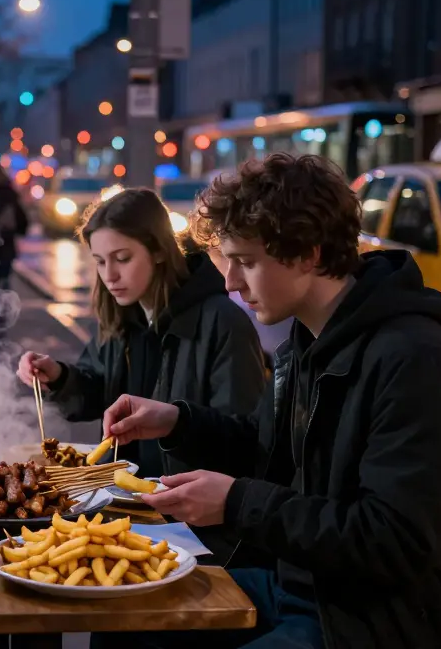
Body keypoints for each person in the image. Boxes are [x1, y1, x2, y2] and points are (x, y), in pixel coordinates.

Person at [93, 154, 441, 648]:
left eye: (246, 262)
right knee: (122, 610)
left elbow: (392, 542)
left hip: (384, 620)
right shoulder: (311, 340)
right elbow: (266, 449)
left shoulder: (414, 360)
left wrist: (237, 502)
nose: (231, 284)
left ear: (306, 253)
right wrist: (178, 422)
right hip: (304, 584)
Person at [15, 188, 265, 555]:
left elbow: (244, 437)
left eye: (123, 258)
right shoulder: (122, 316)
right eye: (100, 261)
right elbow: (99, 388)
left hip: (193, 524)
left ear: (160, 251)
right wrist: (60, 376)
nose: (110, 274)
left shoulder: (222, 322)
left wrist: (178, 423)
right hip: (123, 506)